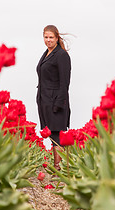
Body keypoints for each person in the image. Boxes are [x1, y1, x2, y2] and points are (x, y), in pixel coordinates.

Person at [36, 25, 71, 171]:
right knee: (52, 133)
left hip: (56, 100)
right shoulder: (46, 54)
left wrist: (59, 103)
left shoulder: (62, 55)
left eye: (51, 37)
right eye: (46, 37)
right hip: (44, 100)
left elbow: (65, 82)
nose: (48, 40)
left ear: (57, 38)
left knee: (57, 134)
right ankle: (58, 167)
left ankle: (59, 168)